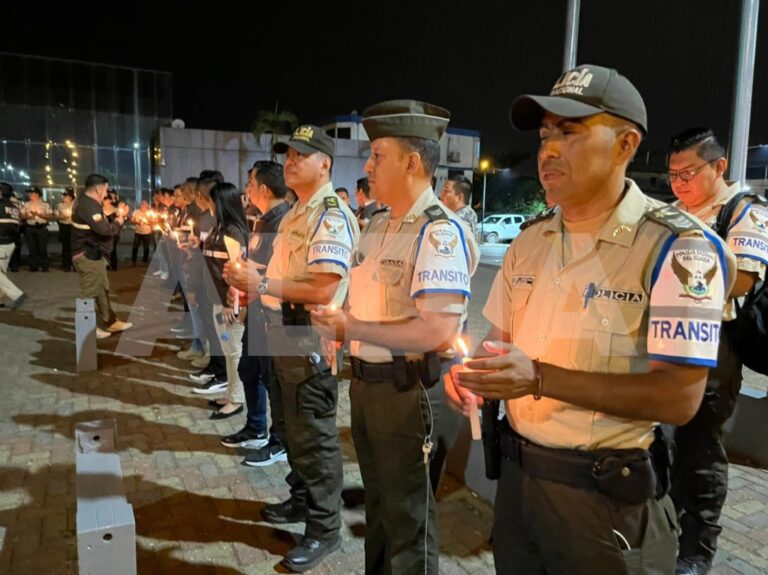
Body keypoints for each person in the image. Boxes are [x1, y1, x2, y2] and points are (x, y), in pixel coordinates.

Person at [448, 64, 737, 574]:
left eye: (570, 131)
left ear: (626, 145)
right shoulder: (530, 241)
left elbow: (680, 397)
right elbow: (499, 345)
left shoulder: (677, 247)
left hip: (606, 503)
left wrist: (536, 378)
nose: (549, 149)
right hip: (517, 487)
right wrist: (476, 380)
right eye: (544, 135)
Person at [312, 99, 479, 574]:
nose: (367, 165)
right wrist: (340, 322)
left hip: (408, 392)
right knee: (380, 510)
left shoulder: (438, 233)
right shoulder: (379, 224)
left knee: (408, 519)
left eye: (377, 155)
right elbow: (360, 296)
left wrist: (353, 329)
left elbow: (438, 328)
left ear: (412, 162)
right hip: (367, 386)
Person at [225, 125, 359, 573]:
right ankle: (301, 501)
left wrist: (259, 282)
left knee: (315, 437)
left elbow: (323, 286)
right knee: (289, 423)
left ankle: (325, 531)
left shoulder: (331, 214)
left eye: (303, 154)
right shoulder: (300, 212)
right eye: (288, 154)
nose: (291, 160)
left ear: (326, 163)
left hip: (307, 333)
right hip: (283, 327)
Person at [666, 128, 768, 575]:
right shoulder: (671, 213)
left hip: (714, 346)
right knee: (663, 445)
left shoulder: (743, 211)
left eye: (687, 172)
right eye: (672, 174)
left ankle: (697, 551)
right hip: (665, 340)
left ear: (719, 166)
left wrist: (678, 285)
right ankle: (666, 531)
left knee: (701, 451)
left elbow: (745, 280)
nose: (678, 183)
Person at [222, 160, 290, 467]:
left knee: (271, 378)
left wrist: (249, 278)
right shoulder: (263, 220)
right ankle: (256, 426)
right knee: (250, 371)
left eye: (249, 184)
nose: (246, 190)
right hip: (258, 311)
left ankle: (278, 440)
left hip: (274, 317)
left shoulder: (283, 222)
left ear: (263, 188)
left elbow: (279, 274)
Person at [201, 182, 249, 419]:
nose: (207, 205)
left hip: (228, 304)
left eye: (210, 201)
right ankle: (230, 393)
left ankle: (236, 398)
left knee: (233, 352)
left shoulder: (233, 232)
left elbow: (239, 269)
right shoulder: (220, 228)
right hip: (217, 300)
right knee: (228, 349)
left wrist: (233, 303)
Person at [71, 174, 133, 339]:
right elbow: (104, 230)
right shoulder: (88, 205)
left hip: (94, 254)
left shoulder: (87, 202)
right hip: (88, 255)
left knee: (101, 289)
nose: (106, 193)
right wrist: (120, 220)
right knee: (90, 292)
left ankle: (111, 321)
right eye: (105, 189)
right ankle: (86, 328)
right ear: (98, 188)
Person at [0, 182, 26, 308]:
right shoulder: (14, 207)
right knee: (2, 273)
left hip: (1, 243)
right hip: (9, 243)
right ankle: (0, 300)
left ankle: (17, 295)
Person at [21, 186, 52, 272]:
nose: (30, 195)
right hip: (30, 228)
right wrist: (28, 216)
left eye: (32, 193)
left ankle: (44, 266)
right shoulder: (26, 204)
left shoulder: (45, 204)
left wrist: (38, 214)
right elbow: (22, 215)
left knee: (42, 248)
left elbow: (49, 216)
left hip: (41, 228)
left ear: (38, 194)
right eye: (29, 193)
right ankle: (33, 266)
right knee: (32, 247)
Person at [56, 187, 75, 271]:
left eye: (66, 196)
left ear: (70, 197)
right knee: (65, 246)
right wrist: (63, 217)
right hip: (64, 227)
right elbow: (57, 216)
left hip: (73, 227)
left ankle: (74, 264)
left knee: (74, 246)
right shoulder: (60, 205)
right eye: (63, 196)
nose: (64, 198)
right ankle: (66, 264)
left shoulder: (76, 205)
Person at [130, 200, 154, 265]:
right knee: (135, 246)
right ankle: (133, 261)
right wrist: (137, 222)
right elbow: (131, 221)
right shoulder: (136, 212)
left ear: (147, 205)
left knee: (146, 247)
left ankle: (145, 261)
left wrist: (148, 221)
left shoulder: (150, 212)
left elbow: (154, 221)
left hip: (147, 232)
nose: (143, 206)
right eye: (142, 204)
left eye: (145, 204)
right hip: (138, 232)